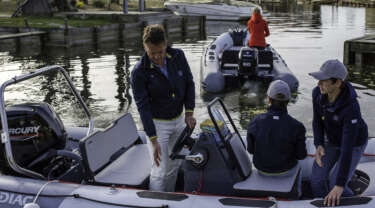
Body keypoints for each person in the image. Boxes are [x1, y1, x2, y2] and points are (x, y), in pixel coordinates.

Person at [131, 24, 196, 192]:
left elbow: (189, 83)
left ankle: (170, 200)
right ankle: (155, 202)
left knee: (175, 165)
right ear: (145, 47)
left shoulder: (178, 56)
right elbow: (142, 107)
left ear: (165, 43)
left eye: (160, 51)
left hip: (179, 120)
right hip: (158, 125)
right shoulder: (138, 71)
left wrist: (189, 113)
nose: (157, 57)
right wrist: (153, 139)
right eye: (152, 53)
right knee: (160, 170)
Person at [309, 59, 368, 207]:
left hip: (353, 143)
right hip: (332, 140)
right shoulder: (317, 93)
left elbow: (347, 148)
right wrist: (319, 144)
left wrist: (340, 184)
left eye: (323, 80)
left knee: (336, 183)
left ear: (337, 83)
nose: (318, 84)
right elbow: (317, 122)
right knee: (316, 181)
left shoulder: (351, 107)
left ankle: (352, 198)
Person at [247, 80, 307, 197]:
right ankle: (298, 194)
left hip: (262, 170)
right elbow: (301, 155)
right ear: (288, 101)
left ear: (269, 99)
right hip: (286, 171)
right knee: (299, 166)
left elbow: (250, 150)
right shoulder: (297, 126)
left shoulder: (255, 121)